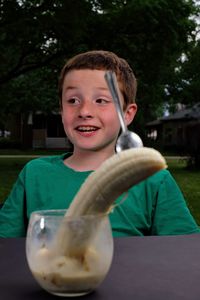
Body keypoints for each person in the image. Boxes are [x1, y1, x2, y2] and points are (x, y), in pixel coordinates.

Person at [0, 50, 199, 237]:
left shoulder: (152, 179)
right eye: (73, 100)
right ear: (61, 110)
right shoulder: (35, 174)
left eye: (101, 100)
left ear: (127, 114)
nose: (84, 111)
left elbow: (184, 250)